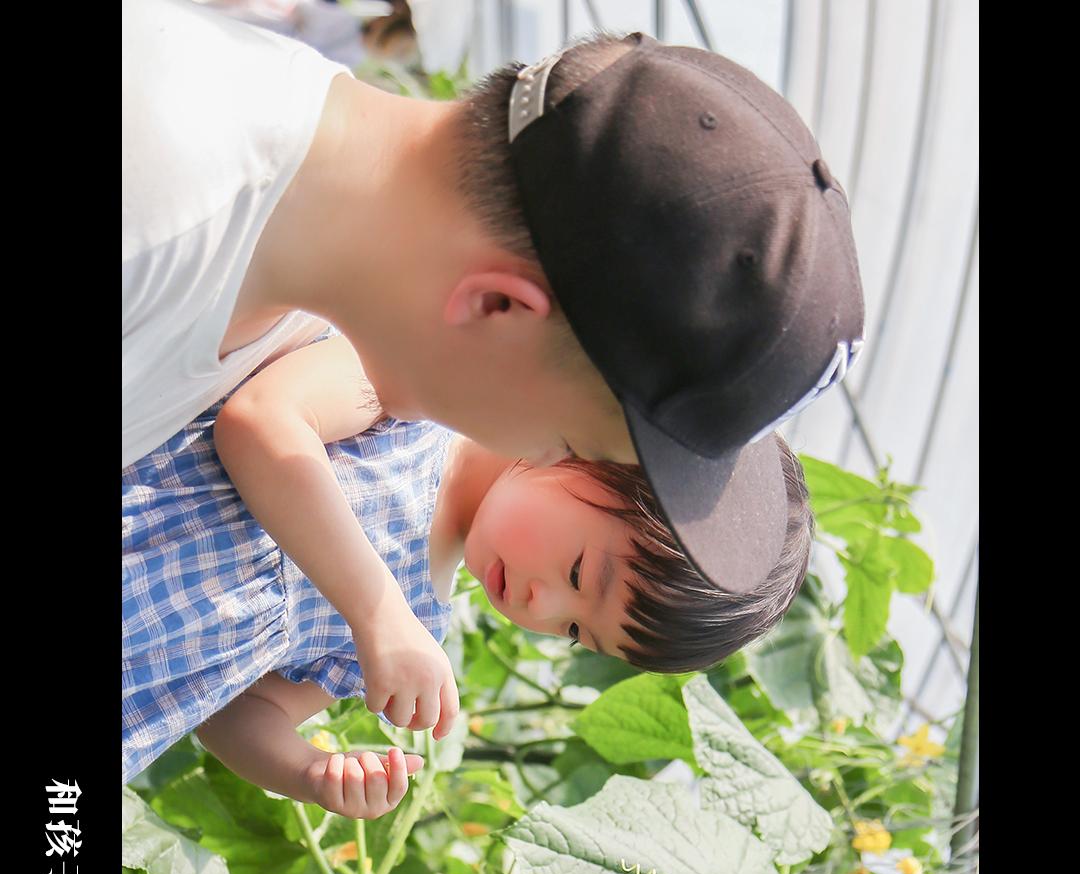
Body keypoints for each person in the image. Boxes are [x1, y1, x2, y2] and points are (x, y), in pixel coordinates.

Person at [123, 0, 864, 685]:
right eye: (569, 440)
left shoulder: (247, 281)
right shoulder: (155, 223)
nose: (535, 455)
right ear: (501, 305)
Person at [122, 333, 811, 818]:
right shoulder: (418, 397)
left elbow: (232, 712)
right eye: (579, 571)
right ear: (597, 449)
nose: (542, 604)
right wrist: (376, 613)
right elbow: (262, 422)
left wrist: (306, 771)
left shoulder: (416, 627)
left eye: (574, 630)